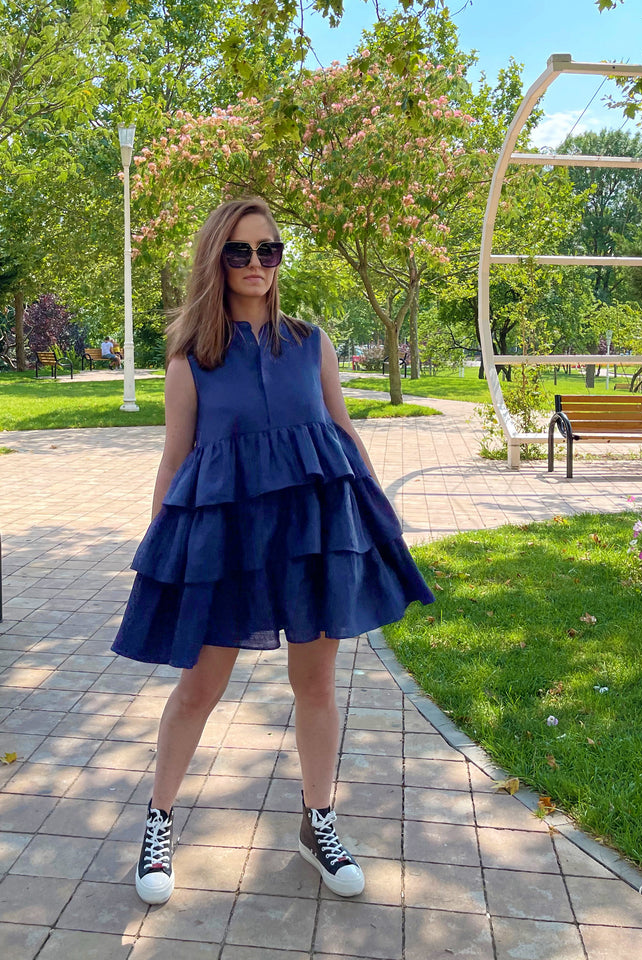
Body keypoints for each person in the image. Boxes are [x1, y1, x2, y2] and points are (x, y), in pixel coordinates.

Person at [111, 197, 434, 906]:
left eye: (269, 250)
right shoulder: (191, 360)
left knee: (316, 685)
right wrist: (162, 550)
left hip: (313, 533)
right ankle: (159, 822)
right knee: (200, 687)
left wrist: (377, 519)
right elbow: (174, 462)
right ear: (216, 261)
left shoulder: (311, 342)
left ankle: (318, 822)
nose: (257, 264)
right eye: (240, 251)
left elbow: (343, 434)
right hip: (223, 540)